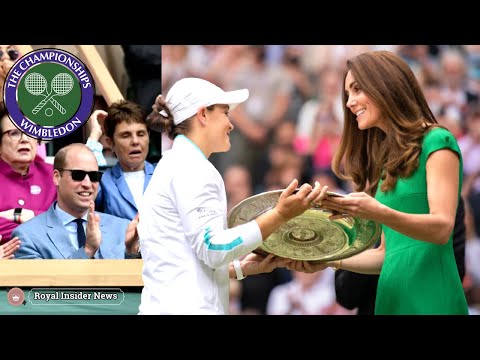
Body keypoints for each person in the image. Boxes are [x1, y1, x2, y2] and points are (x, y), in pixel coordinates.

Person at [288, 50, 468, 315]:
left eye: (357, 90)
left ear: (385, 84)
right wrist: (326, 259)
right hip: (390, 299)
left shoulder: (437, 142)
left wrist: (376, 210)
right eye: (347, 94)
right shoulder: (388, 163)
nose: (349, 102)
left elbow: (442, 228)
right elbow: (386, 255)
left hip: (431, 298)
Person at [138, 77, 327, 315]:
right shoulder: (192, 168)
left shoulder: (173, 164)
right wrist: (280, 214)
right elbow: (213, 248)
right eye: (225, 113)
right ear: (203, 115)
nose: (231, 124)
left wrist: (241, 268)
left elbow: (183, 260)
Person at [334, 196, 467, 315]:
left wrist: (382, 214)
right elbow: (346, 296)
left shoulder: (444, 201)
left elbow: (453, 271)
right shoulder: (354, 208)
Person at [13, 143, 140, 259]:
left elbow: (139, 282)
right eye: (78, 175)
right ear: (57, 177)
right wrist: (87, 251)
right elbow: (41, 284)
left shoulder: (123, 228)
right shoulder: (27, 236)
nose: (87, 183)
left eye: (94, 176)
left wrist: (132, 253)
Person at [87, 100, 156, 220]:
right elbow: (78, 200)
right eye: (126, 135)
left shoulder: (163, 173)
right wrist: (93, 137)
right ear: (110, 143)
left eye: (141, 134)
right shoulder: (104, 182)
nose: (135, 141)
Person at [0, 108, 57, 245]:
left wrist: (20, 214)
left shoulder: (54, 175)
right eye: (14, 133)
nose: (25, 139)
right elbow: (55, 226)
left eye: (30, 132)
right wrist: (42, 224)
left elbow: (67, 221)